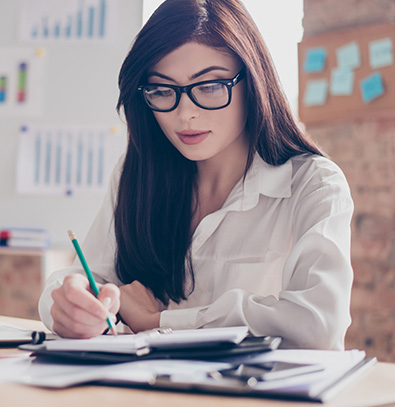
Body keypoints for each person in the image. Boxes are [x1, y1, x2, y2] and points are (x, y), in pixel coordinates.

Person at [38, 0, 354, 350]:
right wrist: (69, 302)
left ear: (252, 81)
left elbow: (319, 324)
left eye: (210, 87)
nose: (184, 114)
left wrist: (159, 323)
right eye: (161, 90)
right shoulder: (136, 174)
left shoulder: (313, 184)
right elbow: (89, 278)